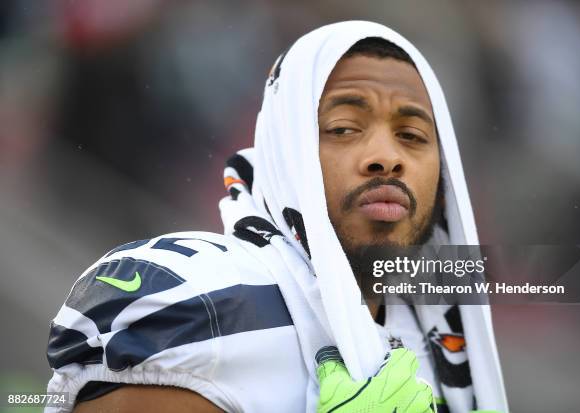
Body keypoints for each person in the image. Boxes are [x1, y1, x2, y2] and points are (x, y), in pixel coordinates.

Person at [45, 21, 508, 413]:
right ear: (286, 152)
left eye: (411, 135)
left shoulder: (441, 331)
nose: (386, 157)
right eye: (343, 128)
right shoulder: (199, 302)